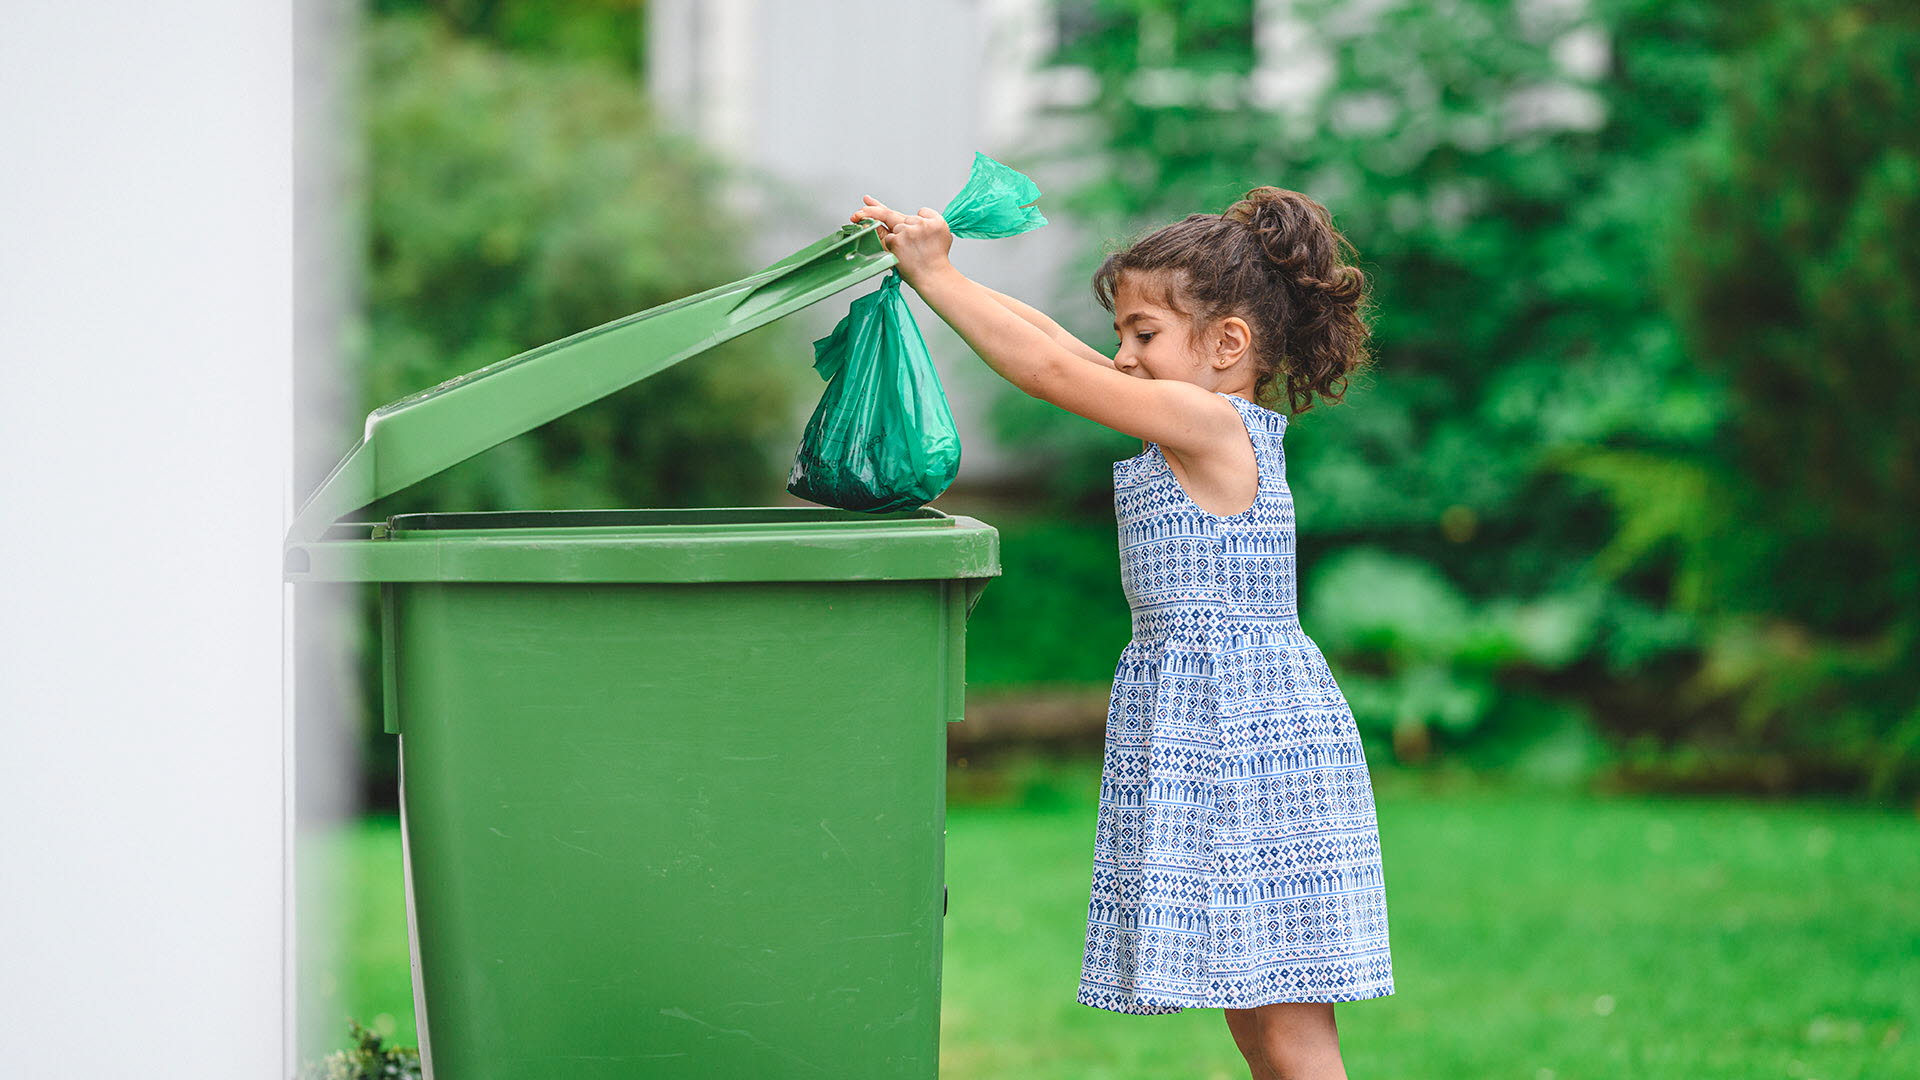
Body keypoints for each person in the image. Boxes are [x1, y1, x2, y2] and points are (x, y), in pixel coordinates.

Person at [851, 185, 1391, 1080]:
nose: (1122, 354)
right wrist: (941, 274)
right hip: (1218, 731)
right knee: (1257, 1019)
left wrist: (938, 276)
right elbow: (1062, 350)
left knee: (1292, 1029)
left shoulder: (1212, 423)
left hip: (1249, 738)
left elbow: (1055, 375)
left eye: (1144, 334)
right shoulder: (1190, 425)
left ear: (1228, 345)